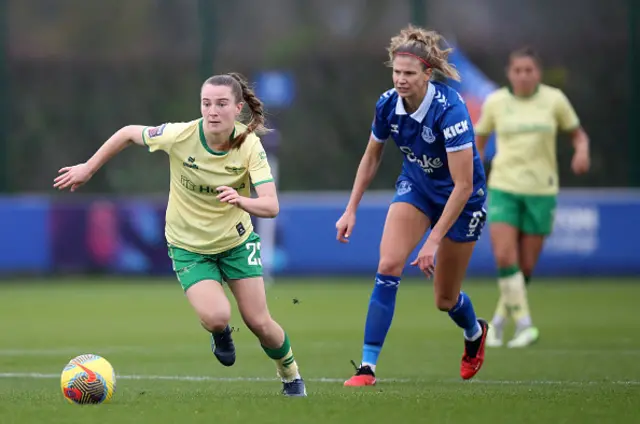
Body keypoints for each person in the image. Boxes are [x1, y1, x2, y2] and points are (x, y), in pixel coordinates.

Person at [53, 72, 307, 397]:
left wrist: (240, 199)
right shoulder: (181, 135)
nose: (212, 111)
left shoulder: (249, 145)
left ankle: (291, 375)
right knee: (217, 317)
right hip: (189, 247)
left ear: (238, 107)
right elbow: (129, 133)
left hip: (236, 244)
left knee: (259, 322)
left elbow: (271, 206)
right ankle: (220, 333)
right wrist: (89, 167)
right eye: (206, 103)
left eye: (221, 104)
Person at [336, 25, 489, 387]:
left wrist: (433, 240)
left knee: (445, 299)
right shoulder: (388, 104)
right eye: (396, 72)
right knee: (389, 263)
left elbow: (463, 185)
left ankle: (474, 332)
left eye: (408, 73)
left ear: (427, 74)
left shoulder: (450, 110)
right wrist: (350, 208)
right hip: (417, 188)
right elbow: (372, 156)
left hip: (462, 200)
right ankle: (367, 368)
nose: (401, 80)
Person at [474, 47, 590, 348]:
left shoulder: (554, 100)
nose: (524, 75)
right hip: (504, 187)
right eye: (518, 70)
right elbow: (480, 140)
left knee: (523, 268)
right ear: (509, 73)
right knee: (503, 256)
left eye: (529, 70)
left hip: (541, 191)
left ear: (538, 73)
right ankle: (525, 325)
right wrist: (472, 172)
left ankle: (498, 324)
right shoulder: (497, 102)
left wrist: (581, 151)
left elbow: (577, 135)